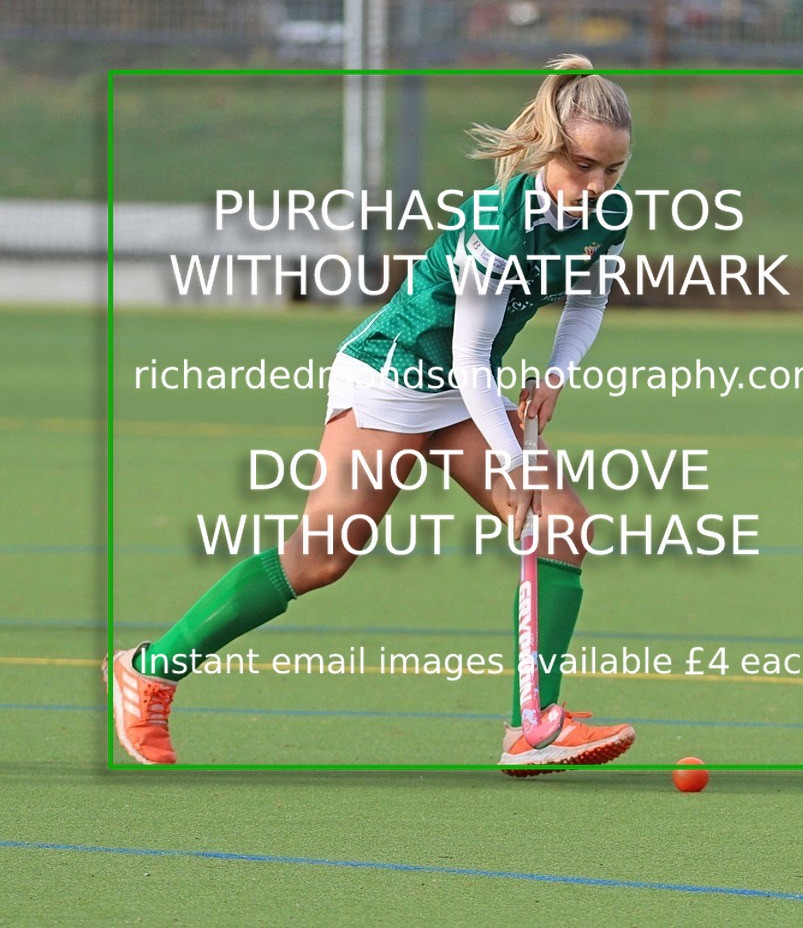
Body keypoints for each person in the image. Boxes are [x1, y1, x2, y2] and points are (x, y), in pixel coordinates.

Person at [107, 53, 636, 774]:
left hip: (459, 389)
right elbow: (471, 355)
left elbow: (589, 299)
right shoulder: (498, 225)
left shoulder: (606, 214)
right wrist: (518, 463)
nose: (598, 186)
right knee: (322, 558)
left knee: (560, 524)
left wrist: (556, 374)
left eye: (614, 171)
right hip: (393, 376)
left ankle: (531, 726)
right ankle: (150, 668)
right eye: (583, 167)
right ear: (549, 150)